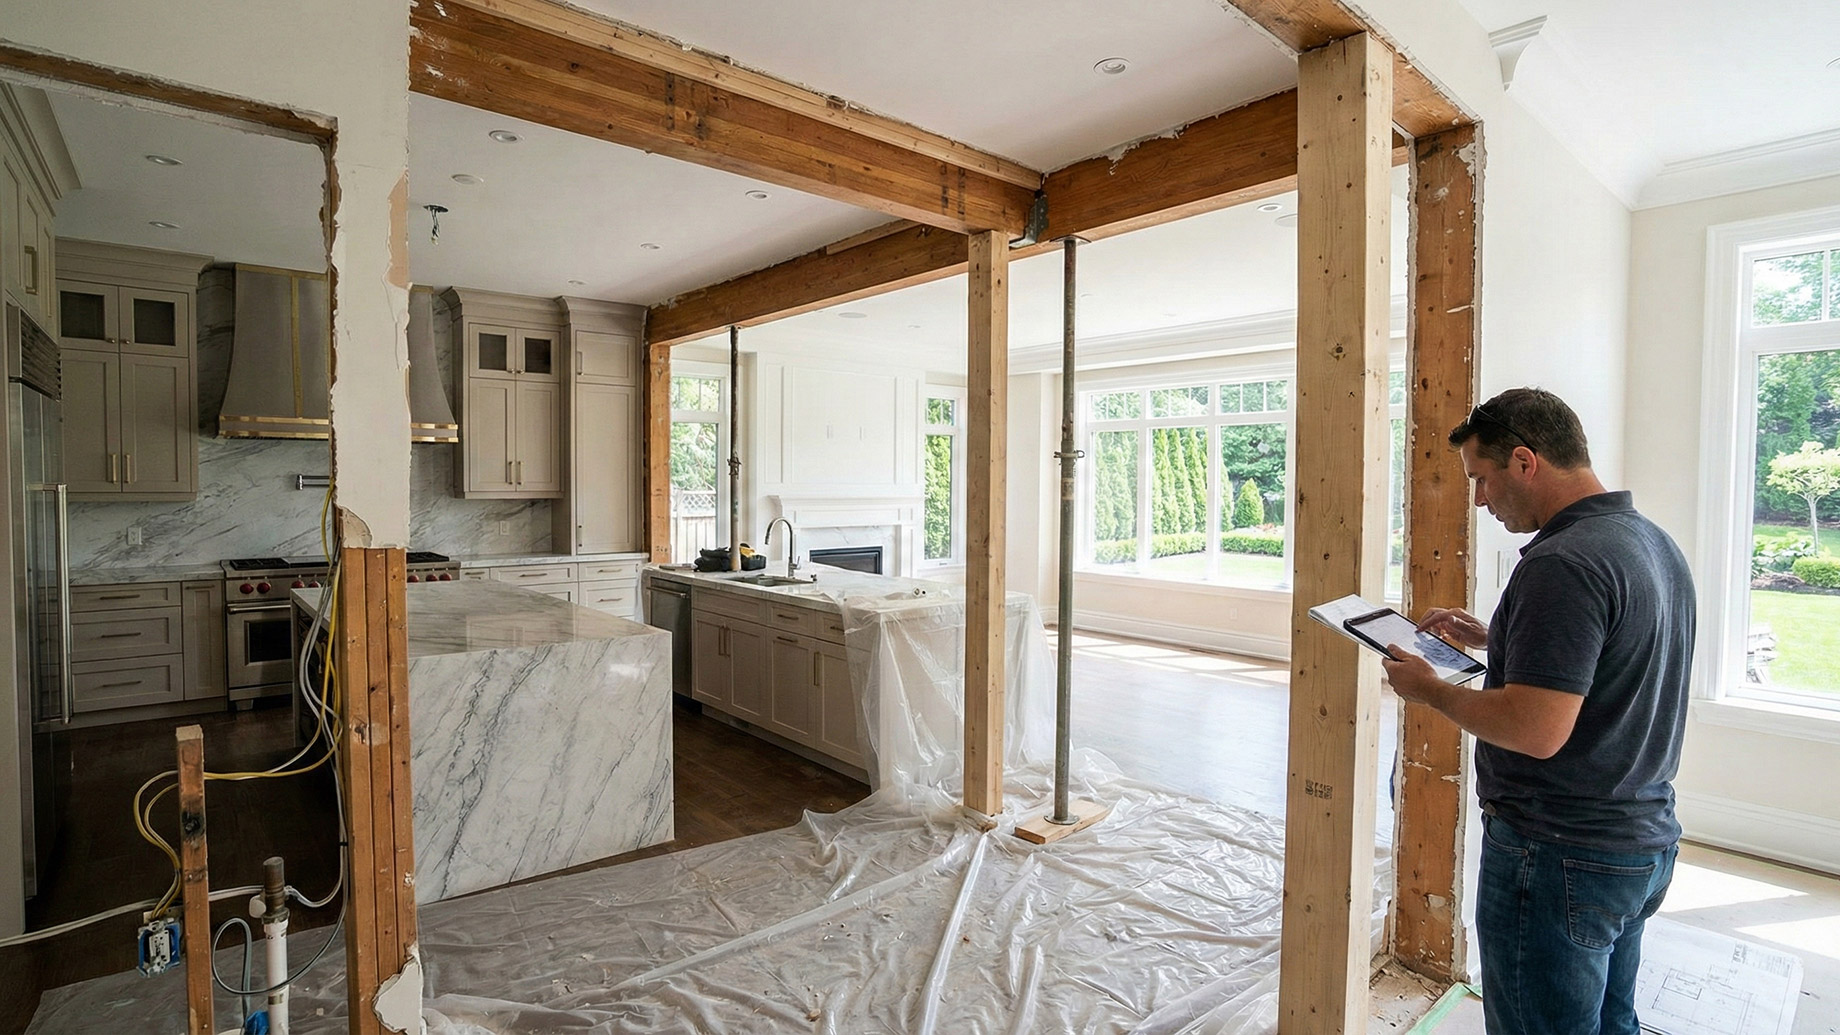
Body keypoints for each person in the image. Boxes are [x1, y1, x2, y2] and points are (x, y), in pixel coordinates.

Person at [1380, 387, 1694, 1035]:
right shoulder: (1647, 541)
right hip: (1638, 843)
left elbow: (1536, 729)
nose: (1479, 499)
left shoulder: (1563, 562)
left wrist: (1429, 689)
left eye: (1483, 478)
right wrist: (1497, 640)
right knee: (1610, 1023)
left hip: (1559, 855)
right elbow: (1611, 655)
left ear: (1525, 461)